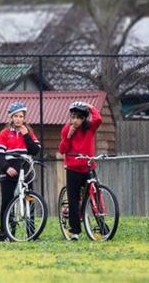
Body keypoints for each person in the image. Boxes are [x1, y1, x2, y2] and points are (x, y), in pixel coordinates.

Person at [0, 101, 41, 242]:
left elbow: (35, 150)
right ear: (11, 117)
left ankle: (31, 234)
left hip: (25, 167)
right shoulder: (4, 133)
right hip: (9, 167)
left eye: (21, 116)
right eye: (16, 116)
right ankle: (5, 233)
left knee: (29, 199)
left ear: (24, 118)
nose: (18, 119)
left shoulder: (29, 132)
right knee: (7, 201)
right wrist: (6, 168)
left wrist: (26, 135)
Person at [57, 100, 103, 240]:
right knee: (73, 198)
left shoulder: (90, 128)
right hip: (73, 168)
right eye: (73, 117)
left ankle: (101, 226)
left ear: (84, 119)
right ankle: (75, 230)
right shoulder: (66, 129)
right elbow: (62, 149)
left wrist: (90, 106)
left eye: (79, 118)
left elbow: (98, 118)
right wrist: (68, 137)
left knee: (95, 197)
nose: (75, 121)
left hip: (88, 167)